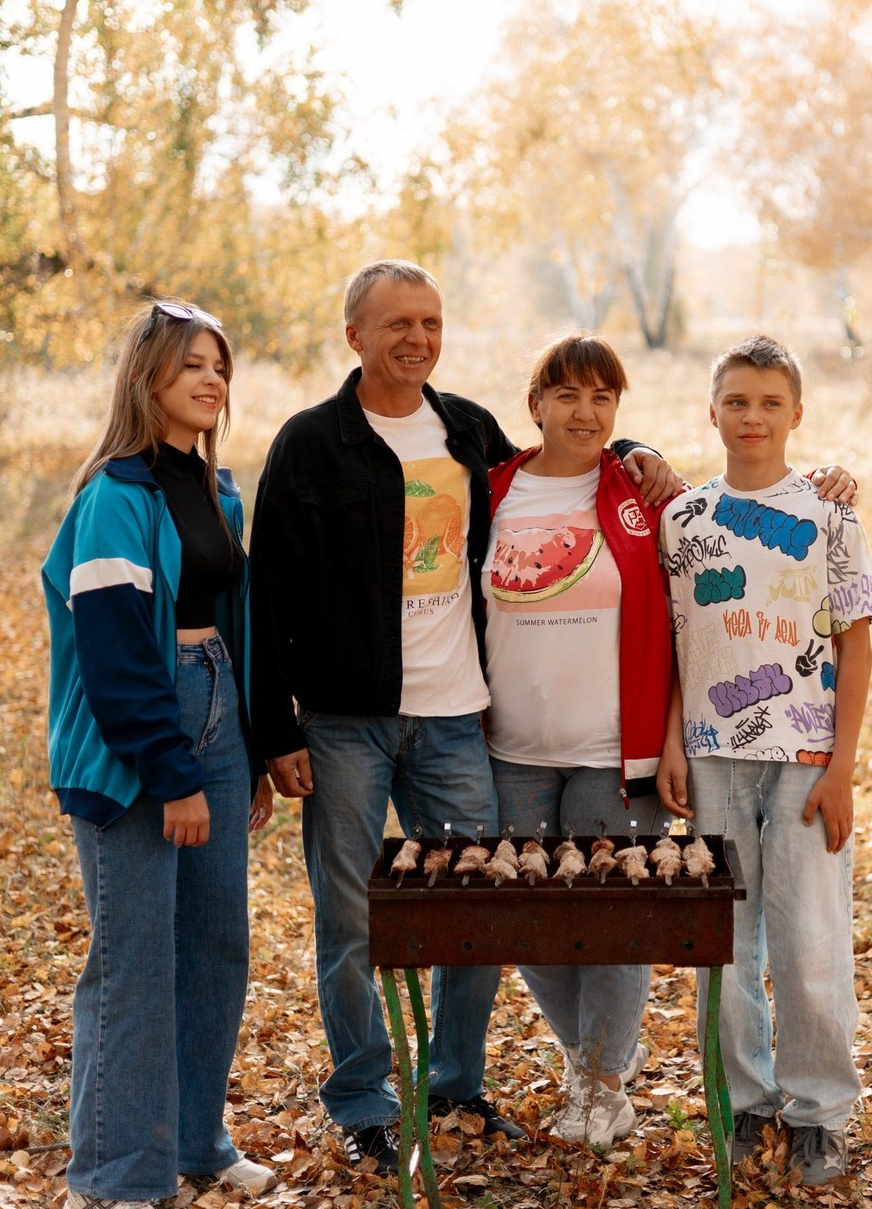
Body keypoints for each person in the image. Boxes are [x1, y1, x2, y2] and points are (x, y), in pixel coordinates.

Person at [248, 261, 682, 1172]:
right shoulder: (308, 444)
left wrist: (638, 445)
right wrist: (274, 728)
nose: (417, 338)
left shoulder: (467, 431)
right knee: (354, 917)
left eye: (431, 322)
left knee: (480, 909)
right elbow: (266, 594)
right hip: (345, 723)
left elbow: (567, 453)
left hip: (456, 719)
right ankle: (364, 1098)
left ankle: (454, 1084)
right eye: (397, 322)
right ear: (354, 335)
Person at [42, 301, 277, 1208]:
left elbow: (234, 621)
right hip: (135, 734)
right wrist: (172, 774)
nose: (211, 381)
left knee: (217, 945)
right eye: (191, 367)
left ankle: (193, 1141)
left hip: (216, 708)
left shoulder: (218, 491)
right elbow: (113, 654)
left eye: (219, 366)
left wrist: (246, 753)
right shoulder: (113, 496)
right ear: (147, 381)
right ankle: (112, 1177)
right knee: (135, 957)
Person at [656, 335, 872, 1187]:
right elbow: (680, 645)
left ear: (797, 414)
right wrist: (678, 740)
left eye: (770, 403)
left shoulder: (830, 516)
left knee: (810, 943)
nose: (752, 417)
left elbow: (856, 648)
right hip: (712, 758)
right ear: (710, 410)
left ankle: (820, 1111)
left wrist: (843, 768)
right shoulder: (684, 519)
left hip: (805, 757)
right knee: (723, 943)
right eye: (736, 402)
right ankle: (744, 1105)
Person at [483, 335, 677, 1148]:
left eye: (602, 397)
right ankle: (585, 1060)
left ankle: (603, 1084)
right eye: (566, 394)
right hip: (507, 746)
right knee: (525, 915)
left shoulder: (644, 494)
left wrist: (672, 739)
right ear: (535, 406)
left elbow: (690, 622)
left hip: (615, 747)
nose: (585, 411)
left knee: (612, 914)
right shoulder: (489, 492)